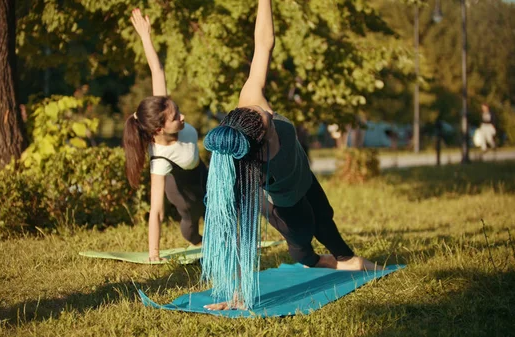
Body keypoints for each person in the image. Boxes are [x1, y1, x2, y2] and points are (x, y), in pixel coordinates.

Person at [201, 0, 381, 311]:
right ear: (260, 137)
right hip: (288, 207)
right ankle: (312, 256)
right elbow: (239, 233)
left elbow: (264, 44)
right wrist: (239, 295)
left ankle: (347, 259)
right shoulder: (252, 166)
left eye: (259, 111)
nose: (263, 109)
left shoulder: (251, 102)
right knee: (304, 251)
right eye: (263, 117)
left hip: (305, 179)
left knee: (327, 222)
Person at [123, 9, 207, 262]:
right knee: (191, 225)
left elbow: (157, 71)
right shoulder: (159, 159)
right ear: (159, 129)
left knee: (220, 208)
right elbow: (157, 211)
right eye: (175, 118)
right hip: (182, 193)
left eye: (178, 112)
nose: (181, 117)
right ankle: (195, 239)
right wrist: (154, 254)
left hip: (202, 173)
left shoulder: (164, 109)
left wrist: (146, 37)